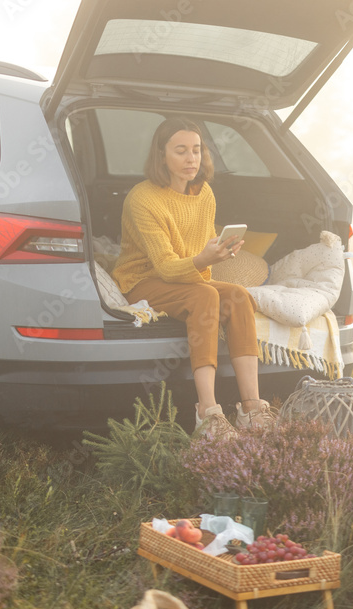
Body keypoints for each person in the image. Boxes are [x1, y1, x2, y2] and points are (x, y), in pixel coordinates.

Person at [112, 117, 276, 438]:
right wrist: (204, 259)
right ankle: (208, 412)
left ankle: (251, 408)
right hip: (142, 282)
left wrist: (217, 255)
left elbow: (200, 270)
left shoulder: (205, 196)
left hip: (186, 279)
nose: (191, 159)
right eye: (181, 150)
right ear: (162, 156)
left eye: (197, 150)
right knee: (206, 296)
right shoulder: (142, 199)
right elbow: (165, 267)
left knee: (239, 295)